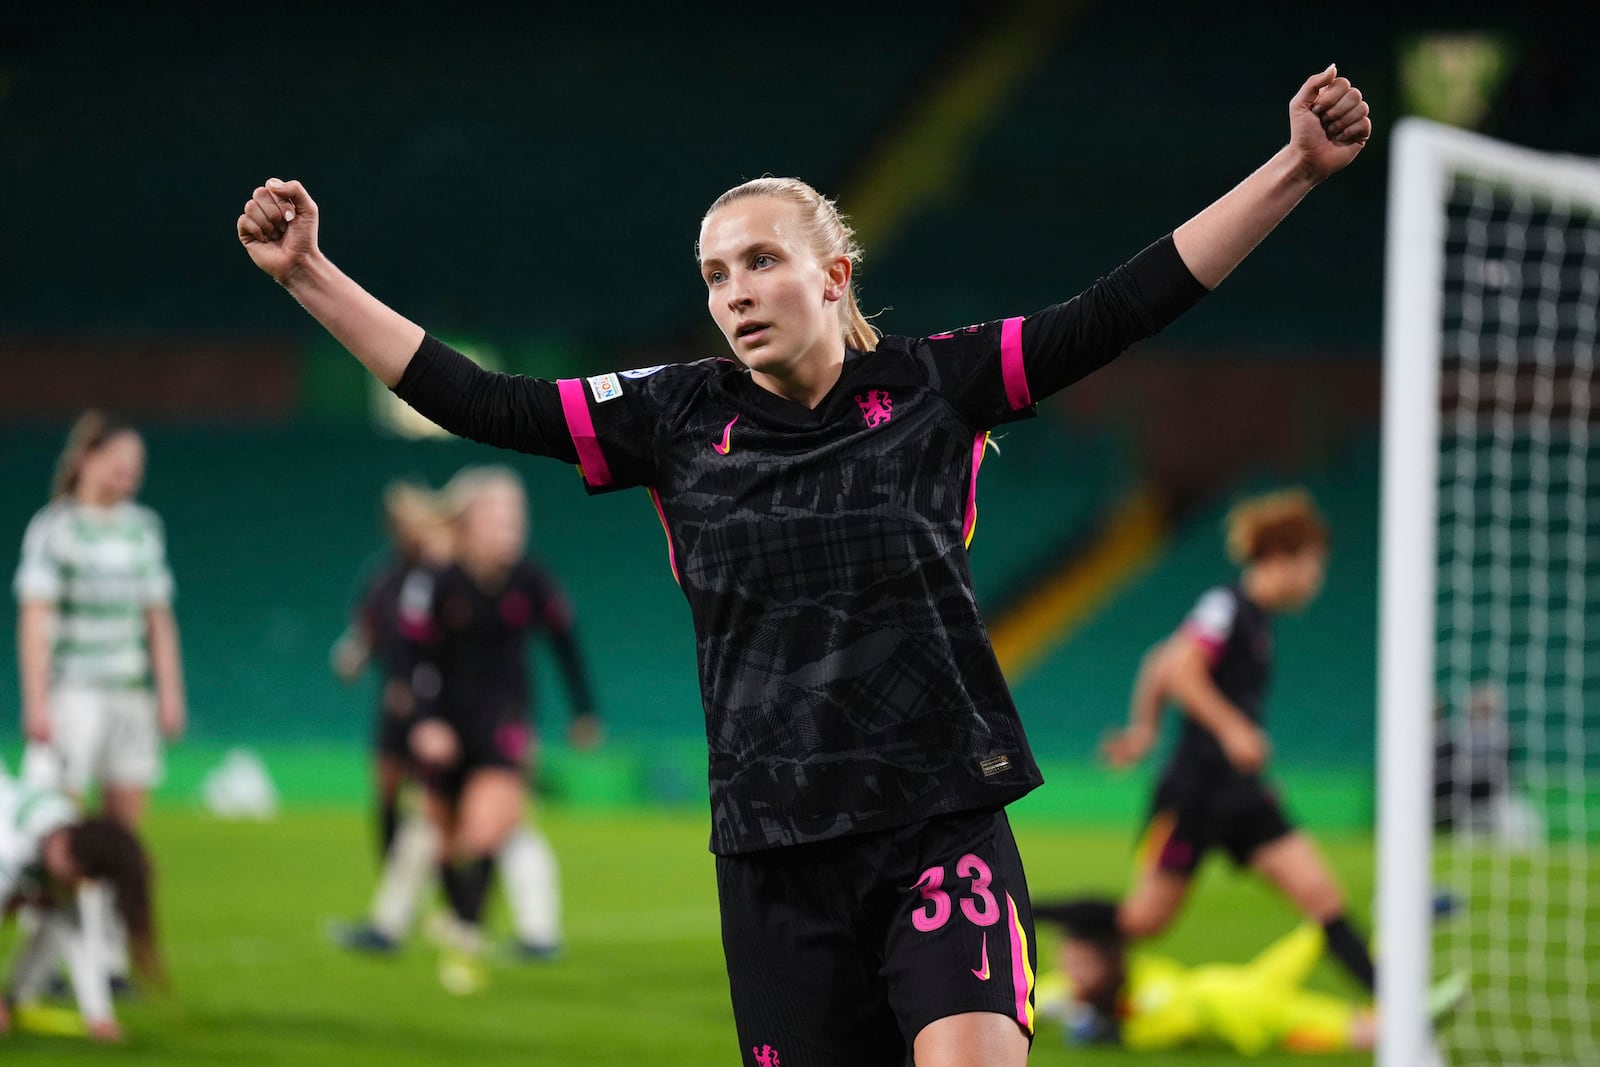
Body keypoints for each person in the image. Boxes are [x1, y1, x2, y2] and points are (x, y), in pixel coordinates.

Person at [238, 65, 1371, 1066]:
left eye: (761, 260)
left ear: (833, 273)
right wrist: (309, 276)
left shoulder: (938, 385)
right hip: (775, 853)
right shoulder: (671, 415)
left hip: (939, 819)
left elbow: (1123, 307)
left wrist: (1292, 169)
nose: (733, 291)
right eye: (715, 272)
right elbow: (481, 399)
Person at [1100, 488, 1378, 994]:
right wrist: (1232, 728)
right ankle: (1069, 973)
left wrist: (1145, 730)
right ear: (1280, 559)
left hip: (1242, 791)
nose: (1317, 577)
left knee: (1321, 895)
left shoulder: (1255, 619)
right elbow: (1178, 668)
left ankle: (1399, 1014)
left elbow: (1159, 664)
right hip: (1195, 790)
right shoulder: (1224, 606)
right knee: (1145, 919)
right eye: (1313, 563)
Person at [407, 467, 600, 991]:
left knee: (486, 827)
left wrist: (584, 712)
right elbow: (414, 659)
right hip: (445, 725)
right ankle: (457, 916)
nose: (512, 526)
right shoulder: (438, 583)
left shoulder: (532, 581)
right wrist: (425, 722)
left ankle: (466, 935)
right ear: (469, 522)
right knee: (444, 842)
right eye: (499, 515)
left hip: (505, 722)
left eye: (518, 515)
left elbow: (566, 643)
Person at [13, 411, 185, 985]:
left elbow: (157, 618)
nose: (127, 478)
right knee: (62, 829)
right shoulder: (54, 528)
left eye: (135, 470)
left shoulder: (143, 528)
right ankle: (52, 955)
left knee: (121, 836)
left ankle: (107, 957)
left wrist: (169, 693)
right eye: (118, 466)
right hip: (74, 695)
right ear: (87, 459)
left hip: (129, 696)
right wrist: (36, 702)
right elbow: (34, 618)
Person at [327, 480, 453, 953]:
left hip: (434, 708)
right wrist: (352, 657)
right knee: (386, 801)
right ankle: (397, 900)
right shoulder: (383, 579)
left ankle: (441, 905)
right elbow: (364, 634)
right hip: (393, 707)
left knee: (432, 806)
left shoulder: (444, 579)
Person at [0, 772, 161, 1042]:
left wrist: (99, 1018)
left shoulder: (66, 833)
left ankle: (16, 996)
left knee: (53, 912)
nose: (75, 886)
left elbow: (79, 937)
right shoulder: (10, 850)